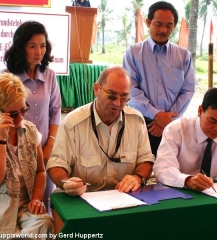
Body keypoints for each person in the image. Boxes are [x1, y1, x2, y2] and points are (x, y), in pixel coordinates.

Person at [46, 66, 154, 196]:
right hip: (83, 199)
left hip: (125, 197)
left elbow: (146, 159)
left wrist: (137, 177)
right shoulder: (73, 123)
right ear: (97, 89)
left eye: (124, 97)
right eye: (112, 95)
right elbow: (56, 165)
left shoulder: (136, 121)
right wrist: (67, 182)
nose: (118, 103)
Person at [123, 1, 195, 156]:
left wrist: (167, 119)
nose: (163, 30)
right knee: (138, 171)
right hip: (141, 122)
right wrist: (156, 115)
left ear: (174, 26)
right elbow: (131, 89)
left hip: (172, 124)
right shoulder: (133, 53)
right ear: (149, 22)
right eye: (158, 24)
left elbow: (187, 91)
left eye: (169, 25)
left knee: (171, 172)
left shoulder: (183, 56)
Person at [3, 21, 61, 213]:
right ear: (21, 48)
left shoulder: (50, 75)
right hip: (12, 151)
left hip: (43, 148)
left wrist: (49, 146)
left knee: (41, 205)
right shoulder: (7, 76)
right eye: (32, 46)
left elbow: (55, 112)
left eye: (43, 46)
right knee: (12, 205)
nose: (39, 51)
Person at [153, 87, 217, 192]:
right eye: (212, 121)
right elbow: (162, 169)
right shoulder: (176, 129)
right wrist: (188, 180)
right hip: (178, 191)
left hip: (215, 193)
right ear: (200, 111)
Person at [0, 72, 53, 236]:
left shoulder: (30, 130)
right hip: (2, 210)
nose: (20, 118)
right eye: (13, 114)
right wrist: (1, 140)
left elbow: (40, 171)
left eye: (23, 110)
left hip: (25, 208)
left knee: (45, 225)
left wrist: (36, 199)